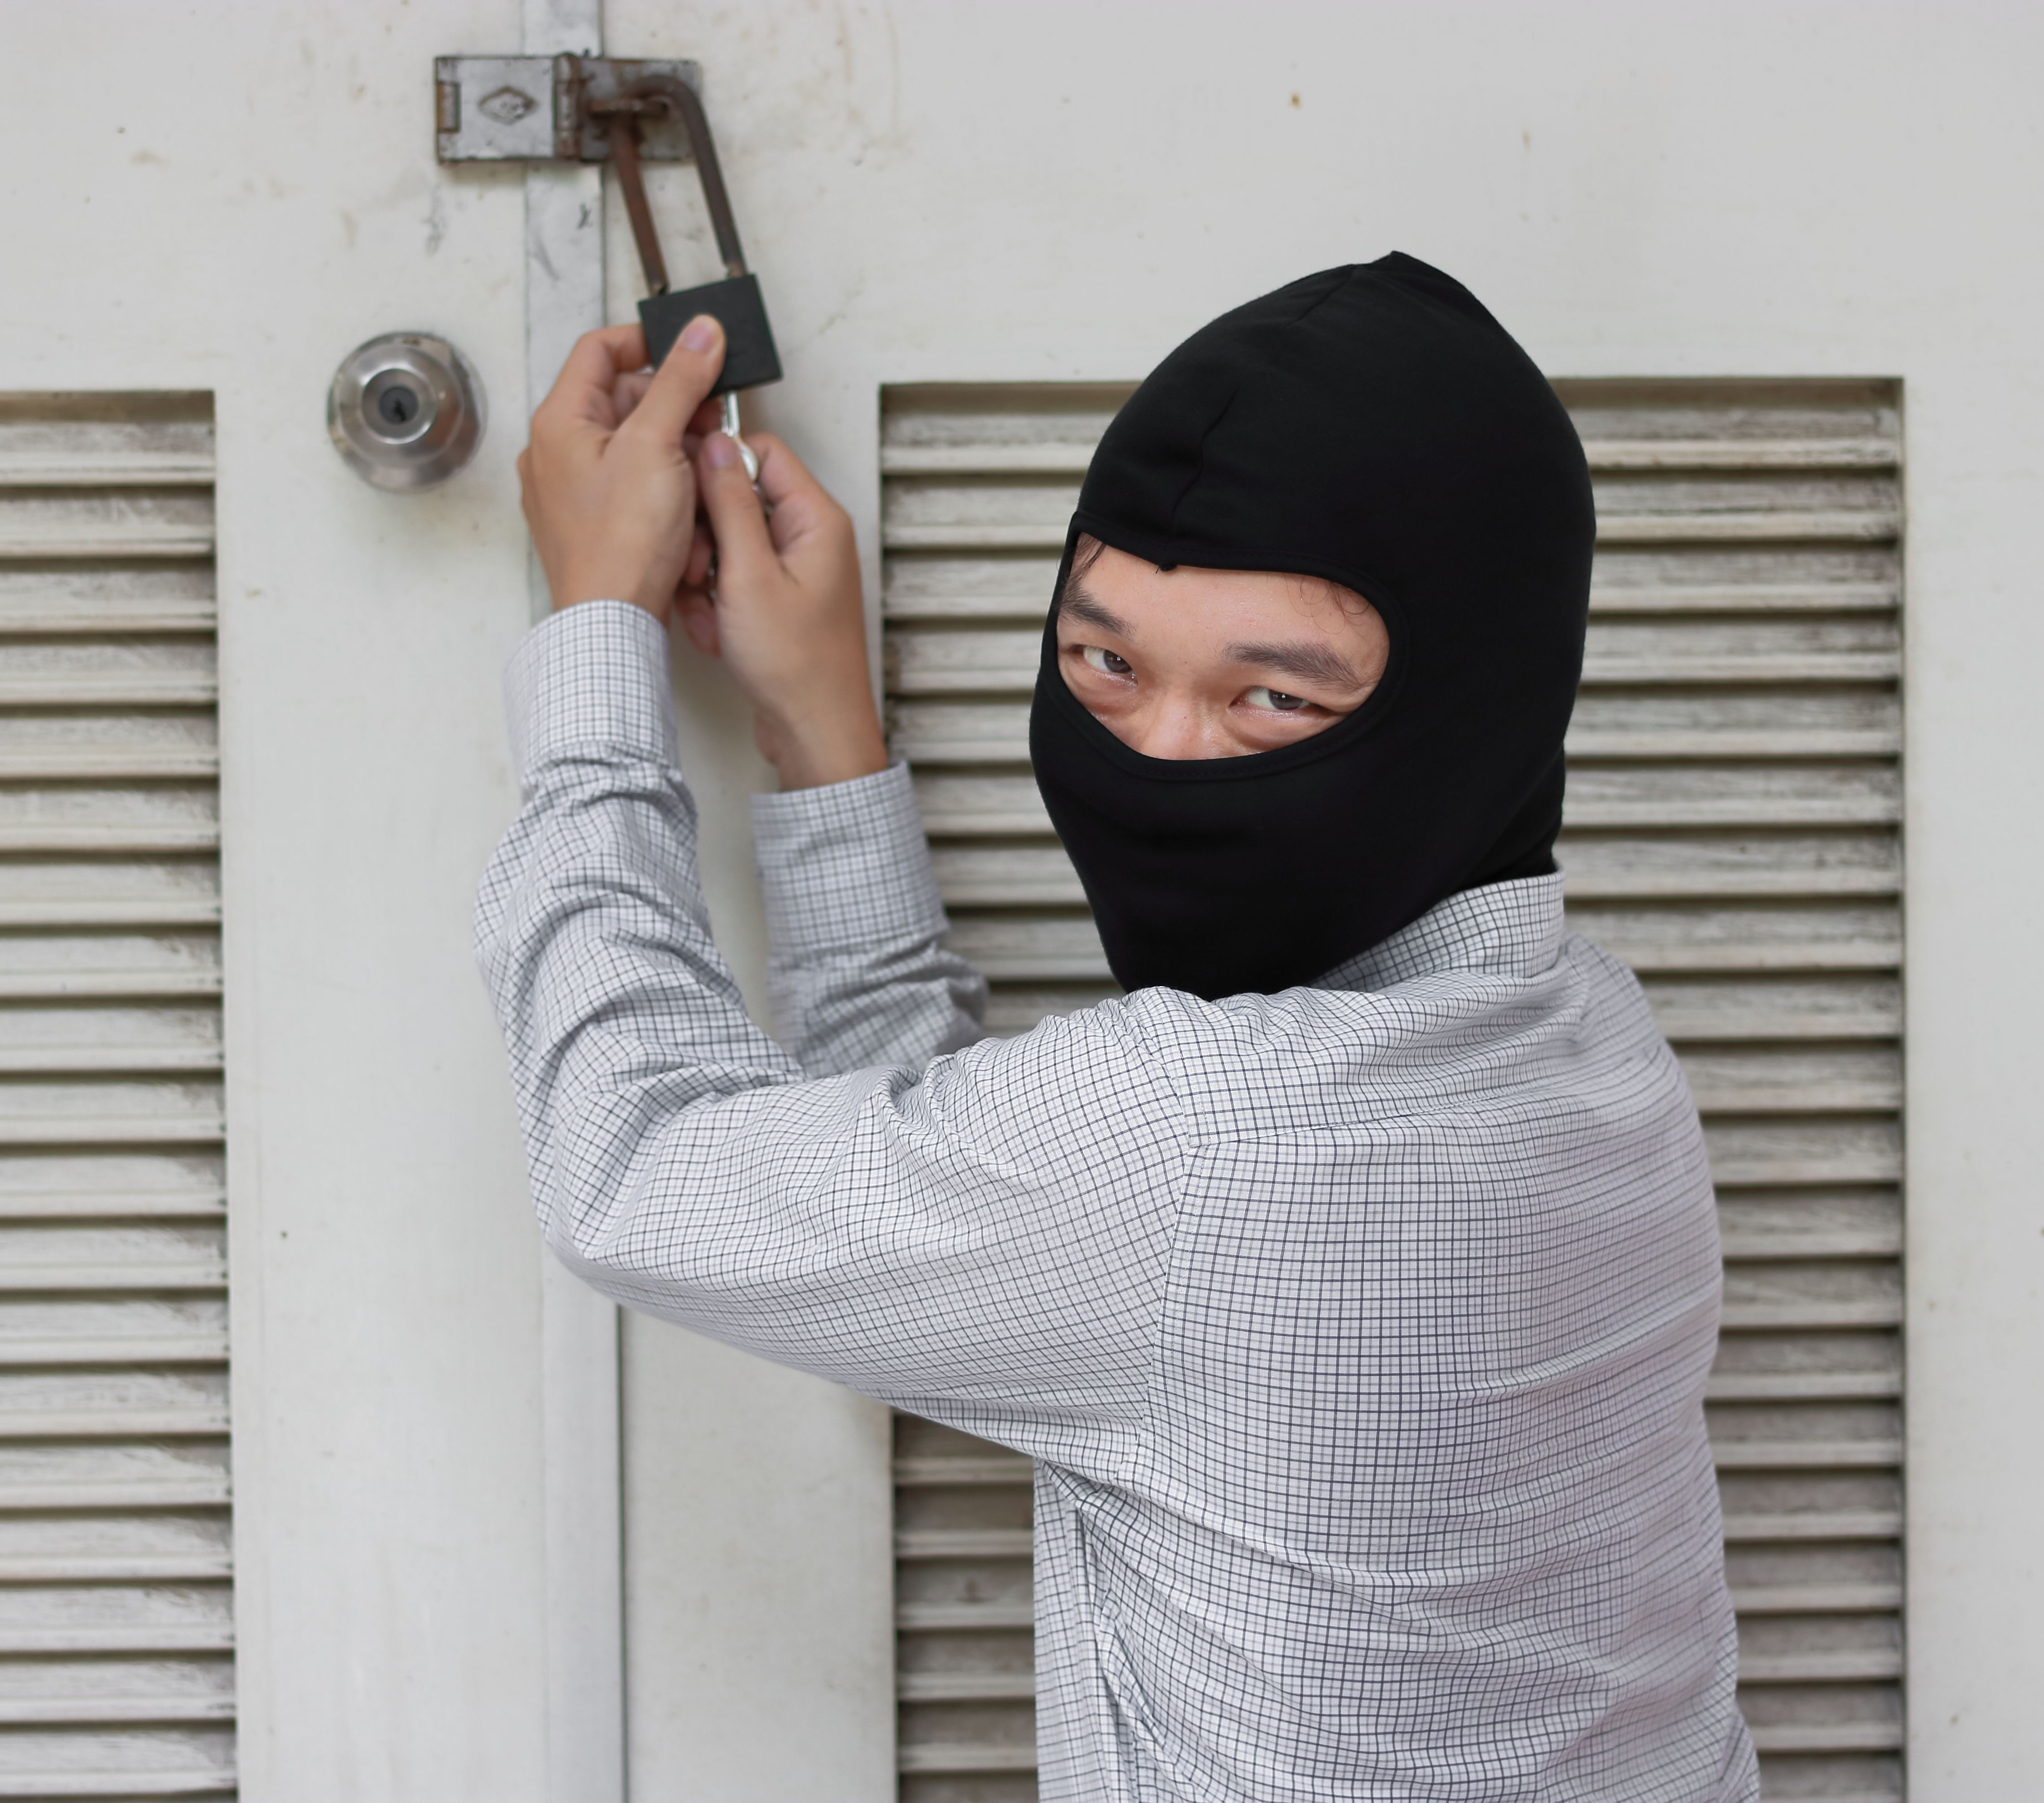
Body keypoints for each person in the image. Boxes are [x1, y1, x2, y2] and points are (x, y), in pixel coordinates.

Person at [478, 256, 1754, 1801]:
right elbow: (969, 1185)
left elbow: (632, 1163)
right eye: (1106, 663)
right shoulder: (1596, 1052)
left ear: (1474, 702)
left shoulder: (1203, 1139)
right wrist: (822, 726)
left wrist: (596, 627)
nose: (1162, 757)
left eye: (1273, 702)